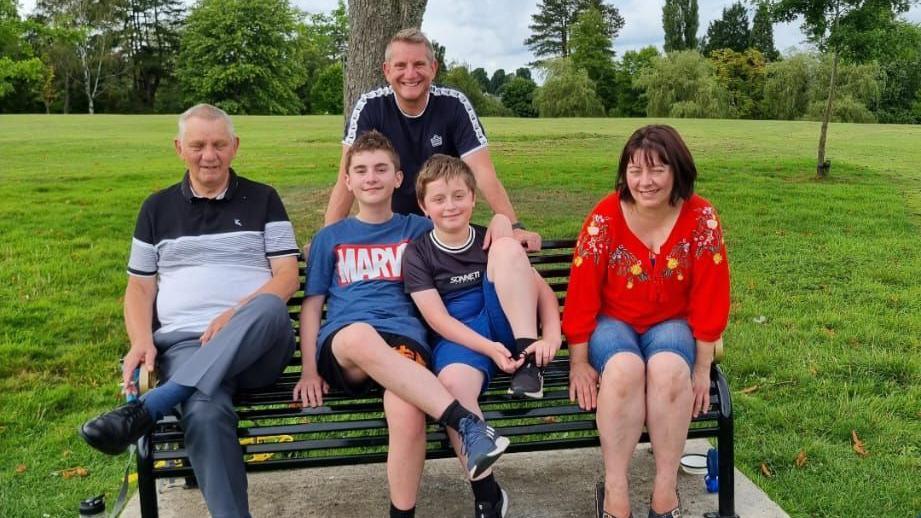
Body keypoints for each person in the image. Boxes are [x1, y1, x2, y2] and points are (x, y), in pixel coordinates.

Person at [79, 104, 301, 518]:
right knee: (202, 409)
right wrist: (142, 340)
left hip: (258, 346)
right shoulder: (156, 208)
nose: (209, 155)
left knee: (269, 305)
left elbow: (287, 277)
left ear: (235, 147)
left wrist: (235, 315)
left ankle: (152, 406)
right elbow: (140, 287)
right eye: (198, 145)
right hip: (186, 346)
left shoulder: (264, 199)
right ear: (179, 148)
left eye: (219, 144)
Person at [294, 131, 510, 518]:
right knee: (359, 335)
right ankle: (465, 422)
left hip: (405, 341)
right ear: (348, 182)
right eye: (360, 170)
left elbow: (466, 231)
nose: (371, 177)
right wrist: (309, 369)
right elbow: (312, 307)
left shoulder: (417, 229)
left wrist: (503, 222)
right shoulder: (331, 237)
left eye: (381, 169)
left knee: (406, 405)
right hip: (346, 348)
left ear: (398, 178)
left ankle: (438, 506)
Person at [563, 125, 730, 518]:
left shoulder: (701, 216)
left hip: (671, 324)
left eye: (657, 169)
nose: (645, 181)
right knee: (623, 371)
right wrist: (579, 362)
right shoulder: (605, 216)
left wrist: (702, 367)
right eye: (635, 170)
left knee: (671, 371)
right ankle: (616, 494)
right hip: (612, 323)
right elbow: (582, 291)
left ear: (677, 171)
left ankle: (664, 495)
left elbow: (711, 296)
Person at [402, 155, 562, 517]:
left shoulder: (489, 239)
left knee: (507, 245)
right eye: (439, 199)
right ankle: (488, 496)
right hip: (460, 336)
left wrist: (551, 336)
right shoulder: (419, 253)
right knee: (451, 386)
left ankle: (528, 365)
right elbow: (438, 320)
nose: (450, 206)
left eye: (459, 195)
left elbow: (543, 293)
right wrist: (488, 349)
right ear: (424, 206)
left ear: (474, 198)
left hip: (504, 322)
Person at [325, 27, 542, 251]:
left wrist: (514, 226)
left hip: (444, 226)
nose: (410, 74)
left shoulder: (454, 104)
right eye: (400, 65)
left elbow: (483, 172)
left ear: (433, 68)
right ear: (387, 71)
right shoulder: (370, 106)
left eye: (419, 64)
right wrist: (327, 238)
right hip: (389, 227)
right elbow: (347, 178)